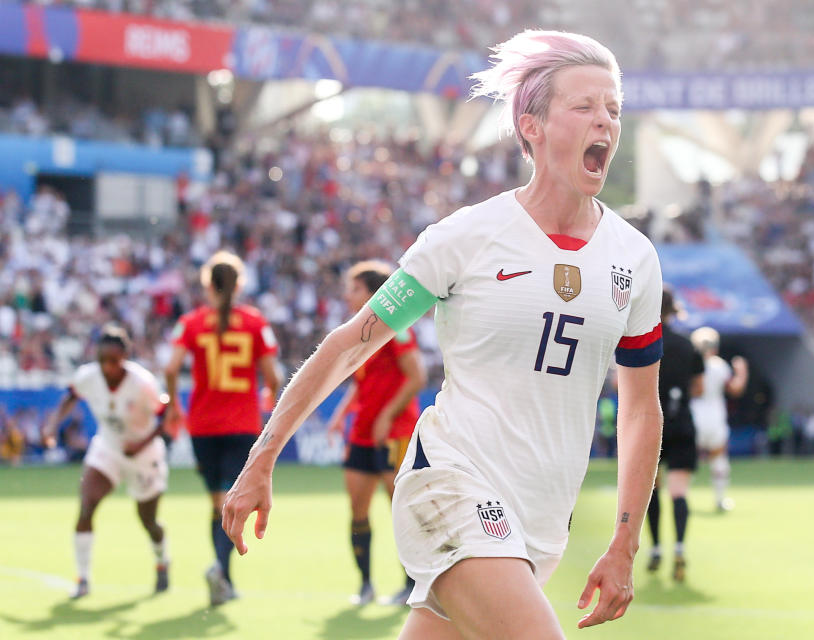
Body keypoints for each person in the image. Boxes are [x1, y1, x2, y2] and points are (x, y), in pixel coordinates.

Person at [223, 30, 665, 638]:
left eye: (613, 108)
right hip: (449, 485)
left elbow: (642, 411)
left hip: (538, 520)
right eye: (584, 106)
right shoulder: (466, 237)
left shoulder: (635, 259)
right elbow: (353, 341)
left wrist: (624, 542)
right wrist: (263, 456)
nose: (605, 123)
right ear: (530, 125)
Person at [164, 250, 280, 606]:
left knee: (217, 502)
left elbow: (170, 369)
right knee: (228, 502)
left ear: (207, 285)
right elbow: (273, 375)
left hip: (203, 425)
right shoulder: (255, 321)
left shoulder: (192, 322)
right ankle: (220, 571)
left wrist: (173, 409)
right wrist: (268, 398)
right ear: (239, 283)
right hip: (242, 424)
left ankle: (222, 575)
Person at [41, 325, 170, 599]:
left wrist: (141, 444)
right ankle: (83, 579)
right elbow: (72, 395)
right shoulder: (89, 376)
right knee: (87, 506)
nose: (106, 368)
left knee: (148, 520)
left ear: (124, 357)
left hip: (144, 455)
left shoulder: (143, 383)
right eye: (101, 361)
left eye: (112, 361)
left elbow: (167, 416)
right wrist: (53, 424)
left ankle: (162, 560)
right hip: (109, 447)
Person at [326, 260, 426, 606]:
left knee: (400, 510)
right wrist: (340, 416)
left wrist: (387, 415)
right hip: (363, 431)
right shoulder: (362, 330)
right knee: (357, 507)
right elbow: (361, 382)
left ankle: (412, 585)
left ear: (373, 293)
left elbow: (417, 377)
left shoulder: (399, 327)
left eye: (354, 288)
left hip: (393, 432)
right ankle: (366, 585)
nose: (348, 294)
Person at [646, 289, 704, 582]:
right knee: (679, 491)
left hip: (649, 424)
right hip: (682, 422)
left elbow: (623, 385)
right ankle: (679, 547)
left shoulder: (643, 341)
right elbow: (699, 387)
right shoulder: (687, 345)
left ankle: (655, 548)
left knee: (652, 489)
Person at [689, 326, 748, 511]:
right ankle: (720, 499)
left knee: (687, 459)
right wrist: (742, 372)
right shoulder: (719, 365)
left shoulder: (689, 363)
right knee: (719, 458)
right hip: (714, 416)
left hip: (693, 414)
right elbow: (735, 389)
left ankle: (681, 498)